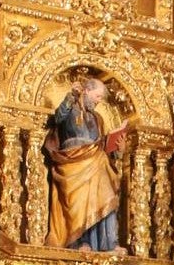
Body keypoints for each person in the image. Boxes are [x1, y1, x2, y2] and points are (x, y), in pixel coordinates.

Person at [44, 78, 126, 253]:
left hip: (98, 162)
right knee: (78, 202)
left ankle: (110, 243)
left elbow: (104, 146)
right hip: (73, 162)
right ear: (86, 91)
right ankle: (80, 241)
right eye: (97, 96)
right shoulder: (71, 108)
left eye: (101, 98)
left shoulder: (98, 118)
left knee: (107, 195)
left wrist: (118, 149)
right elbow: (58, 118)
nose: (98, 101)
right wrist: (70, 97)